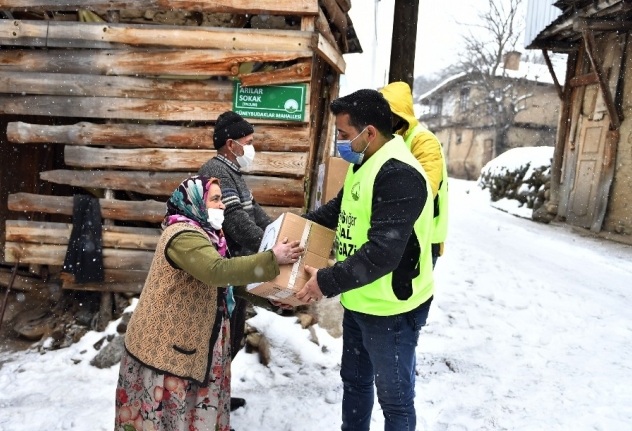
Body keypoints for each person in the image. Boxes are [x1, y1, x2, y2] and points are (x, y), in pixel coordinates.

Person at [294, 90, 435, 431]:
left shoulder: (400, 175)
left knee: (395, 399)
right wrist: (294, 229)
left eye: (343, 135)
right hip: (359, 298)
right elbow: (336, 211)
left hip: (392, 310)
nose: (340, 142)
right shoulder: (364, 164)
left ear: (369, 132)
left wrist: (325, 282)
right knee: (354, 382)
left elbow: (383, 253)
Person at [116, 175, 303, 431]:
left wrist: (272, 298)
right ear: (194, 203)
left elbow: (227, 283)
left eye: (222, 199)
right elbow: (216, 271)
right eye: (215, 199)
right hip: (165, 348)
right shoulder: (182, 234)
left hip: (194, 342)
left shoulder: (210, 236)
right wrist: (271, 259)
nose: (222, 205)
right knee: (166, 415)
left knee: (191, 408)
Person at [198, 111, 272, 411]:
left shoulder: (234, 174)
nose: (251, 148)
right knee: (217, 340)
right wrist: (270, 249)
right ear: (231, 144)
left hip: (238, 270)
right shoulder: (215, 171)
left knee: (233, 336)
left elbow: (253, 211)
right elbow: (236, 221)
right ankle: (204, 402)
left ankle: (217, 395)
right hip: (223, 272)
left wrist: (279, 233)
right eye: (248, 142)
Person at [380, 81, 449, 267]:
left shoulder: (423, 141)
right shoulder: (390, 140)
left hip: (422, 238)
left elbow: (426, 191)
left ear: (398, 115)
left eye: (386, 114)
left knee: (413, 295)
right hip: (397, 236)